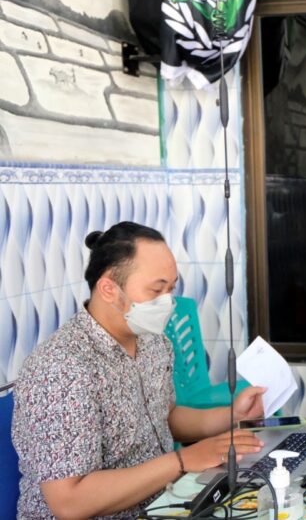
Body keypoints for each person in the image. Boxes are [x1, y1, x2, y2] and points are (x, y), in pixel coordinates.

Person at [12, 222, 266, 519]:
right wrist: (183, 459)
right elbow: (69, 502)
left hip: (160, 505)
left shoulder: (153, 342)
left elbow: (166, 417)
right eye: (156, 290)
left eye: (171, 289)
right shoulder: (61, 368)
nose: (167, 302)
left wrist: (232, 415)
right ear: (109, 288)